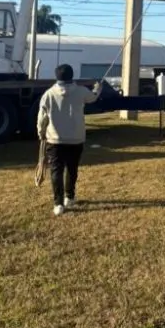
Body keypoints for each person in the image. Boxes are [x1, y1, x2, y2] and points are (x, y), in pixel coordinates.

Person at [37, 64, 101, 216]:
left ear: (56, 76)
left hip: (54, 139)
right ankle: (69, 197)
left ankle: (58, 203)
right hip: (76, 138)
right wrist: (98, 87)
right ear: (72, 76)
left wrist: (41, 133)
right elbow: (93, 98)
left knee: (56, 171)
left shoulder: (49, 94)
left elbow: (42, 117)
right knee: (72, 169)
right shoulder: (80, 91)